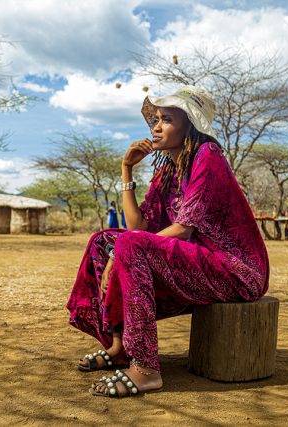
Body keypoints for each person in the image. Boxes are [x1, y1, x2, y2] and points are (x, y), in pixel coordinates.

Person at [67, 86, 270, 398]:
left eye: (167, 120)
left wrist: (120, 253)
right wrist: (126, 170)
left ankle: (146, 369)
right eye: (156, 120)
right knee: (103, 241)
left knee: (128, 245)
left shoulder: (208, 156)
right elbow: (139, 226)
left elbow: (182, 229)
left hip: (234, 270)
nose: (157, 127)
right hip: (197, 261)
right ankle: (120, 348)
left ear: (189, 126)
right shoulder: (168, 171)